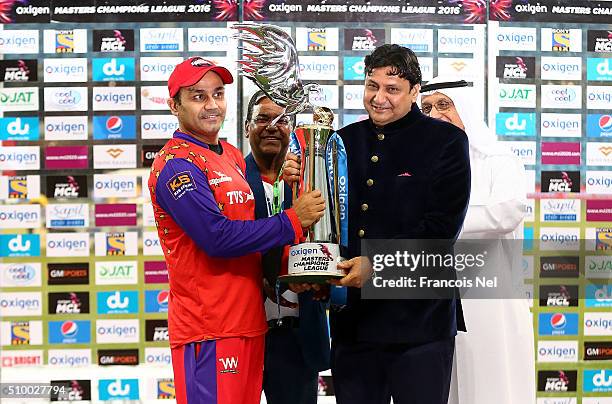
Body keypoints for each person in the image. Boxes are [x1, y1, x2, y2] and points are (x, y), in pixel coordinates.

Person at [285, 44, 471, 404]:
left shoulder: (446, 141)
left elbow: (441, 230)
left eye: (392, 89)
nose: (379, 98)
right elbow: (330, 221)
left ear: (416, 91)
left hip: (420, 324)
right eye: (372, 86)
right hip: (355, 324)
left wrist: (375, 265)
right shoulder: (341, 141)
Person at [147, 57, 325, 404]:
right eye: (198, 96)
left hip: (249, 324)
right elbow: (216, 237)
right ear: (174, 105)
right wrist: (292, 218)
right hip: (208, 328)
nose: (212, 105)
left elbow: (255, 229)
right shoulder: (176, 165)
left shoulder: (228, 154)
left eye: (218, 94)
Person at [420, 76, 535, 404]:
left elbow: (506, 212)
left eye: (444, 105)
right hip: (433, 299)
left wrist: (438, 224)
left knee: (492, 386)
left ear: (466, 109)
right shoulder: (421, 167)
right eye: (426, 108)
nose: (435, 114)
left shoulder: (498, 158)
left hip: (490, 299)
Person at [243, 90, 330, 404]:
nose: (272, 127)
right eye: (263, 118)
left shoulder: (311, 182)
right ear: (246, 127)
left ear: (292, 128)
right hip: (246, 333)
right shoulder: (231, 184)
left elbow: (330, 246)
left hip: (297, 334)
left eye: (282, 120)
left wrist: (323, 282)